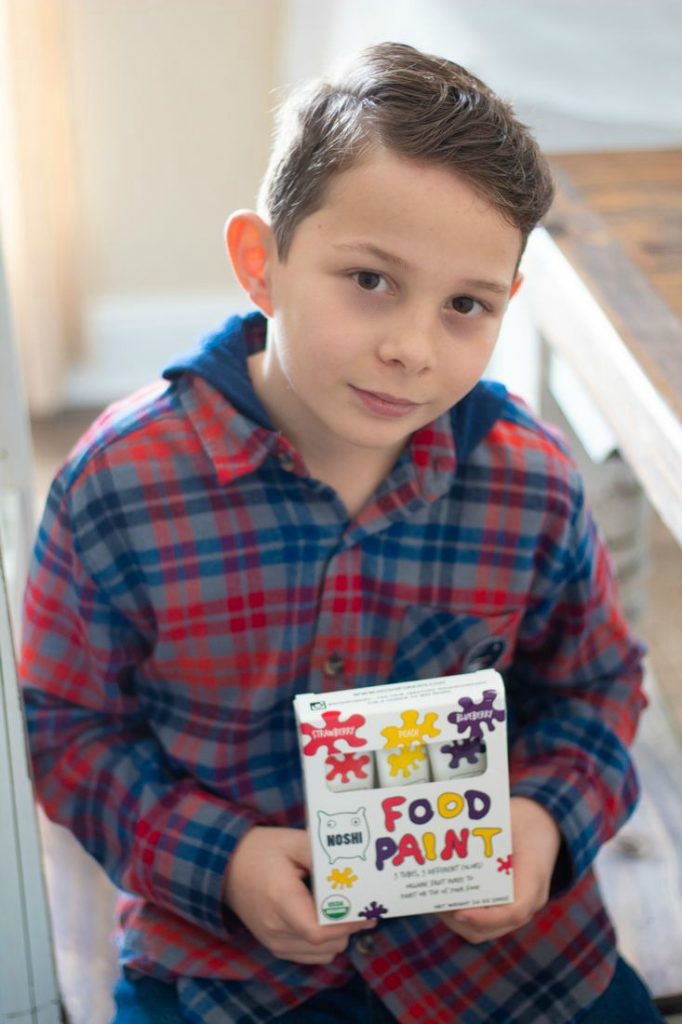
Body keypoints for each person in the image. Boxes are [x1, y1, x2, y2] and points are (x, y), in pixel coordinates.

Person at [20, 41, 664, 1024]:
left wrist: (542, 823)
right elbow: (68, 733)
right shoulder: (114, 486)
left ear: (505, 308)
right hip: (228, 971)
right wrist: (221, 861)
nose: (409, 345)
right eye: (368, 279)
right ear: (260, 262)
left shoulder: (529, 481)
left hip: (504, 968)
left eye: (464, 305)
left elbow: (597, 689)